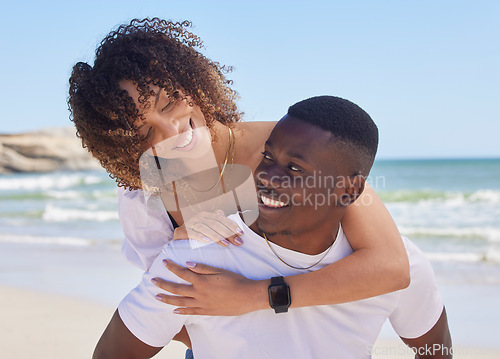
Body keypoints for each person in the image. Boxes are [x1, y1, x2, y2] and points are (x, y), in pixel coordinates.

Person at [68, 18, 409, 347]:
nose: (173, 131)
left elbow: (390, 266)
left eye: (169, 103)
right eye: (145, 132)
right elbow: (169, 308)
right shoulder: (144, 196)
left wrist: (252, 297)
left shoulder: (296, 146)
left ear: (190, 81)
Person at [93, 96, 452, 359]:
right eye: (267, 158)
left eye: (294, 168)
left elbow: (435, 347)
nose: (265, 175)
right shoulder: (189, 258)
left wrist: (252, 300)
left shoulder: (394, 265)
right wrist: (217, 327)